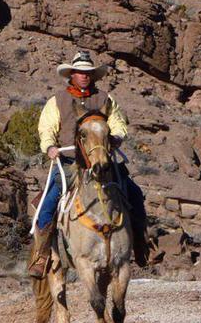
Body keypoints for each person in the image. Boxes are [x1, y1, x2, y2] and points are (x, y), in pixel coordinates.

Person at [28, 51, 150, 279]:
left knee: (133, 192)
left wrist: (117, 137)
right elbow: (46, 128)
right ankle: (42, 253)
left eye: (88, 73)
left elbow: (118, 123)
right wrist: (50, 147)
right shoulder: (58, 100)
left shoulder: (105, 99)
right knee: (48, 201)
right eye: (80, 73)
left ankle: (141, 243)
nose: (84, 76)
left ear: (93, 76)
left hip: (102, 159)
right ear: (71, 75)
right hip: (69, 160)